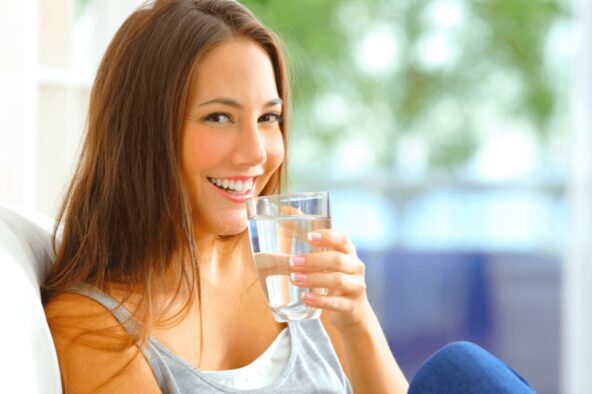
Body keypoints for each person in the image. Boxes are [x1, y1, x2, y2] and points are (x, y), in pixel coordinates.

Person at [41, 1, 534, 393]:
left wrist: (356, 319)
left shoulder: (290, 268)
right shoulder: (95, 327)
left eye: (268, 118)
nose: (257, 153)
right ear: (142, 132)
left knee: (460, 371)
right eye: (219, 117)